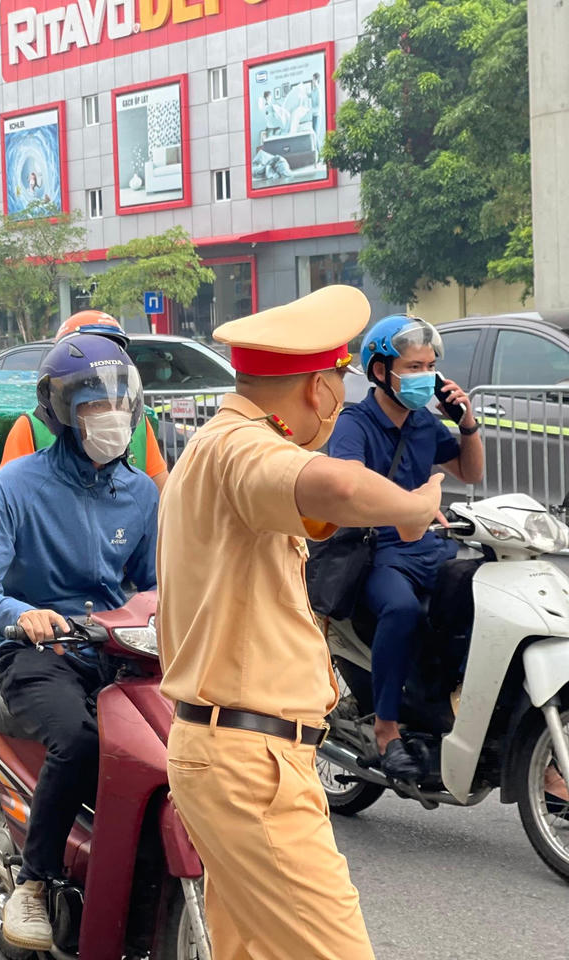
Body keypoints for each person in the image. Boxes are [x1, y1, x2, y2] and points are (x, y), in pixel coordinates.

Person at [157, 285, 444, 959]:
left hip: (233, 756)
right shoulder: (241, 448)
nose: (340, 402)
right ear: (316, 388)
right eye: (338, 384)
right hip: (251, 764)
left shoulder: (212, 447)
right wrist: (410, 506)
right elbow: (338, 487)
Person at [0, 334, 158, 952]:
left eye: (120, 405)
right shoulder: (17, 486)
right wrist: (21, 614)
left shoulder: (143, 492)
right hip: (39, 654)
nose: (112, 418)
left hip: (117, 651)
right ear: (64, 412)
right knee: (80, 739)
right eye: (96, 406)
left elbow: (152, 586)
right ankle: (36, 883)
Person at [328, 315, 484, 781]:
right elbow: (347, 488)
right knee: (402, 610)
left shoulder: (422, 421)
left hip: (427, 548)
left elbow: (469, 472)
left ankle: (440, 702)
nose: (426, 377)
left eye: (431, 367)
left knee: (476, 594)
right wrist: (406, 505)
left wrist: (468, 423)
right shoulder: (354, 423)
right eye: (414, 367)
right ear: (380, 371)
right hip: (377, 550)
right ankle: (386, 728)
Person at [0, 310, 169, 491]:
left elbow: (163, 495)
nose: (104, 360)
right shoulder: (31, 427)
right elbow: (13, 495)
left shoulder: (137, 422)